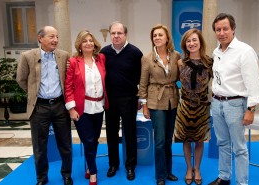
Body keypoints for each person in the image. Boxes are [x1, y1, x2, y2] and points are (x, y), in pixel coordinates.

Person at [208, 13, 259, 185]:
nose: (222, 32)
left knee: (239, 148)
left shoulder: (245, 51)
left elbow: (253, 83)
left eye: (225, 28)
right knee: (222, 143)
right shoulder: (216, 51)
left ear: (233, 29)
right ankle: (224, 177)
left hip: (236, 104)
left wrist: (251, 109)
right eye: (218, 29)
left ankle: (242, 182)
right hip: (217, 103)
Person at [16, 26, 73, 185]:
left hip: (60, 106)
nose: (55, 40)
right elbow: (21, 79)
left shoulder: (64, 56)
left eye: (57, 36)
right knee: (40, 146)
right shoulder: (27, 56)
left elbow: (68, 79)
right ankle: (41, 178)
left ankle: (67, 174)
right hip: (39, 107)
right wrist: (34, 92)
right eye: (51, 36)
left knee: (65, 144)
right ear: (40, 38)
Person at [138, 24, 180, 185]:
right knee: (160, 140)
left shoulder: (176, 56)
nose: (157, 38)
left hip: (173, 100)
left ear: (167, 38)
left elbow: (180, 77)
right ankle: (160, 175)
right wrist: (144, 105)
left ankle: (168, 171)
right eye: (154, 35)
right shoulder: (147, 58)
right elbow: (143, 84)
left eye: (160, 35)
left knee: (169, 139)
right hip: (155, 101)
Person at [100, 21, 143, 181]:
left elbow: (142, 77)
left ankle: (130, 166)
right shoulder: (103, 53)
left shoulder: (135, 53)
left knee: (130, 133)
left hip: (129, 99)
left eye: (119, 33)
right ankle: (113, 164)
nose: (116, 36)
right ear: (110, 34)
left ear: (125, 35)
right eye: (113, 33)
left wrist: (141, 98)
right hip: (110, 100)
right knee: (111, 133)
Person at [64, 30, 108, 185]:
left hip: (99, 106)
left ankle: (89, 166)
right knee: (88, 140)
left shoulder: (101, 59)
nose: (88, 43)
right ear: (80, 45)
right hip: (81, 108)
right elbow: (68, 87)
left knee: (94, 139)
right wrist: (71, 108)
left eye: (90, 40)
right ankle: (94, 172)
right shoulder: (74, 62)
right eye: (84, 41)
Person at [174, 28, 213, 185]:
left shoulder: (209, 62)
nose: (192, 43)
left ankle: (197, 168)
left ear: (200, 42)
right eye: (188, 41)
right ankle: (188, 168)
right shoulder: (180, 63)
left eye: (194, 40)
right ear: (185, 44)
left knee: (199, 140)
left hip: (202, 107)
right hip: (184, 107)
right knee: (185, 139)